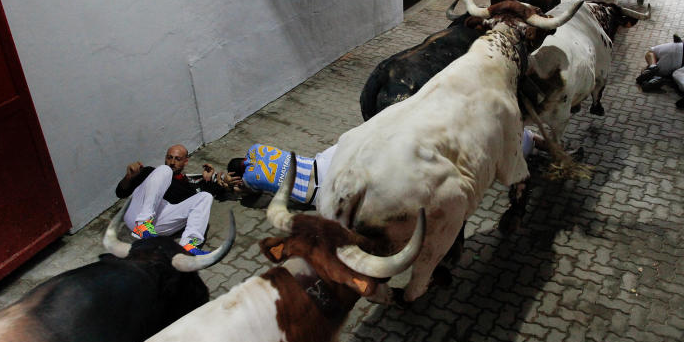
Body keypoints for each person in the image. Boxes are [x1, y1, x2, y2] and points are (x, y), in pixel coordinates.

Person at [223, 129, 545, 202]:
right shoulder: (258, 151)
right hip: (324, 160)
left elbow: (249, 189)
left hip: (323, 187)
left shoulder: (253, 178)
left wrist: (232, 183)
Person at [115, 144, 228, 255]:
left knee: (205, 196)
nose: (172, 162)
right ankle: (143, 223)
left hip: (159, 226)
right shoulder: (150, 172)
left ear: (185, 162)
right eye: (169, 157)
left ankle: (189, 245)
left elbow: (209, 199)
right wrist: (128, 178)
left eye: (178, 159)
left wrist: (208, 181)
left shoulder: (188, 186)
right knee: (165, 170)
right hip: (136, 215)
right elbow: (121, 192)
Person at [636, 26, 684, 91]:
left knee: (650, 52)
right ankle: (656, 78)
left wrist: (679, 40)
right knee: (648, 68)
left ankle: (653, 68)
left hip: (680, 49)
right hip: (680, 64)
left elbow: (682, 43)